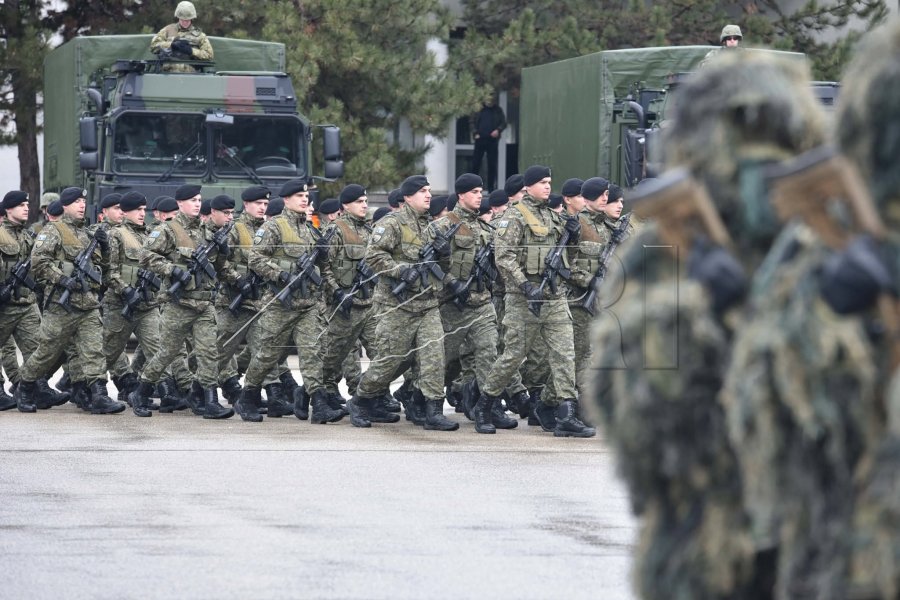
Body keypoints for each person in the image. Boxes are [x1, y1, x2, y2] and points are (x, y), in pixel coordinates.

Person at [591, 52, 826, 600]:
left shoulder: (829, 240)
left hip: (818, 534)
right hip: (705, 536)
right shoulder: (664, 245)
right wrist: (695, 315)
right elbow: (624, 404)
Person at [474, 165, 591, 437]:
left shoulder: (553, 217)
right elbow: (504, 257)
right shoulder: (515, 216)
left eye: (549, 182)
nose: (548, 186)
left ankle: (567, 413)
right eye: (542, 182)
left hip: (554, 298)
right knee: (513, 357)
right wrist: (525, 285)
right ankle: (484, 405)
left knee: (565, 355)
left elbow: (568, 259)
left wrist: (573, 238)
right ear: (528, 186)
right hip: (523, 300)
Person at [349, 175, 458, 430]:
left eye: (429, 190)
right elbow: (373, 256)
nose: (428, 195)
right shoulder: (392, 223)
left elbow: (442, 268)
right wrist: (400, 271)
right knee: (390, 360)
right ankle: (361, 400)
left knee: (434, 358)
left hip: (427, 304)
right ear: (408, 197)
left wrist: (445, 254)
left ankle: (433, 411)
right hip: (396, 306)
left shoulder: (432, 227)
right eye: (422, 191)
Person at [234, 179, 344, 424]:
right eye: (298, 196)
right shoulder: (273, 227)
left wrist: (323, 256)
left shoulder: (311, 230)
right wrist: (281, 275)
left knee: (312, 353)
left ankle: (319, 404)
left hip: (308, 305)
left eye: (306, 196)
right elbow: (255, 259)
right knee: (267, 354)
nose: (305, 199)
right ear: (286, 200)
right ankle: (247, 396)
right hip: (280, 304)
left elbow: (323, 267)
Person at [15, 187, 126, 415]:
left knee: (94, 351)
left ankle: (100, 395)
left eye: (83, 201)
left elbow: (104, 269)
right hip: (61, 305)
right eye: (76, 202)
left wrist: (105, 248)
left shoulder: (88, 234)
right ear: (65, 206)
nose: (82, 205)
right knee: (46, 352)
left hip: (88, 304)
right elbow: (39, 262)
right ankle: (24, 388)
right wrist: (63, 279)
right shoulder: (53, 230)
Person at [129, 184, 234, 419]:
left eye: (199, 200)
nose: (197, 204)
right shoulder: (169, 230)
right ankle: (140, 392)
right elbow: (145, 256)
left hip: (204, 304)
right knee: (167, 353)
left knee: (209, 353)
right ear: (180, 204)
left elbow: (217, 268)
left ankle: (210, 401)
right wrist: (172, 270)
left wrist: (223, 250)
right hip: (178, 304)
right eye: (192, 200)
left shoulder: (207, 232)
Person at [434, 174, 516, 434]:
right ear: (461, 195)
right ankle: (422, 400)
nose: (480, 196)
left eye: (481, 191)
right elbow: (429, 265)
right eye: (474, 192)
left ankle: (487, 408)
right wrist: (451, 282)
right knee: (444, 359)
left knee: (488, 352)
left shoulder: (485, 228)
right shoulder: (442, 226)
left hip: (481, 303)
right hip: (451, 304)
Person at [0, 191, 69, 412]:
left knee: (38, 348)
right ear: (8, 209)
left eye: (27, 205)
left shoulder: (29, 236)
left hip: (26, 304)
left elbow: (39, 267)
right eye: (21, 205)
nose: (26, 208)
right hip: (4, 304)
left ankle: (36, 389)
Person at [149, 1, 214, 73]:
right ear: (178, 17)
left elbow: (209, 55)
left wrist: (191, 51)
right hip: (167, 74)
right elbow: (153, 46)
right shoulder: (168, 30)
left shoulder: (200, 36)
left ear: (192, 19)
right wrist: (171, 45)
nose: (185, 22)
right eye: (182, 20)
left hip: (190, 75)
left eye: (187, 20)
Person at [470, 97, 506, 190]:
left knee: (492, 165)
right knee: (476, 164)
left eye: (492, 99)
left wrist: (498, 130)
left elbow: (503, 123)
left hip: (492, 140)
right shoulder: (478, 108)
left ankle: (491, 189)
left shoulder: (498, 110)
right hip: (480, 139)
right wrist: (475, 133)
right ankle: (472, 187)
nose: (490, 101)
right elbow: (471, 122)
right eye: (488, 99)